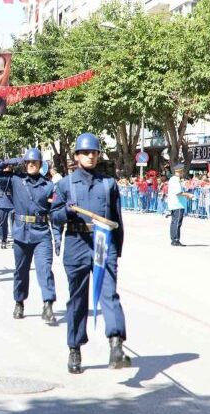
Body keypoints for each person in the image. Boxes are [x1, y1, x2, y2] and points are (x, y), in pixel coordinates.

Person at [50, 133, 130, 375]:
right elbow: (53, 216)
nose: (91, 156)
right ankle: (75, 347)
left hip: (103, 243)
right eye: (86, 152)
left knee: (109, 293)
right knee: (77, 300)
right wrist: (66, 212)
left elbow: (117, 219)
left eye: (94, 152)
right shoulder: (65, 185)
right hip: (76, 242)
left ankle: (116, 343)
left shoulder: (108, 184)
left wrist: (117, 251)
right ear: (76, 156)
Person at [0, 149, 57, 323]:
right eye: (28, 162)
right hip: (21, 233)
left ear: (41, 164)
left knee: (45, 269)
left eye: (35, 162)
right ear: (24, 164)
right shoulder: (15, 180)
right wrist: (10, 161)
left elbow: (56, 212)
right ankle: (19, 301)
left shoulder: (48, 185)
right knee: (21, 271)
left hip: (41, 232)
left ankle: (48, 304)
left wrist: (57, 236)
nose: (32, 164)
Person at [167, 163, 194, 246]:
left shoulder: (172, 179)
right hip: (177, 204)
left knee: (174, 222)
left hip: (175, 204)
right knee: (177, 222)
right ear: (180, 171)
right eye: (182, 171)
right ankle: (175, 240)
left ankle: (173, 239)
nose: (183, 173)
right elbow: (178, 192)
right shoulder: (175, 180)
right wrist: (188, 195)